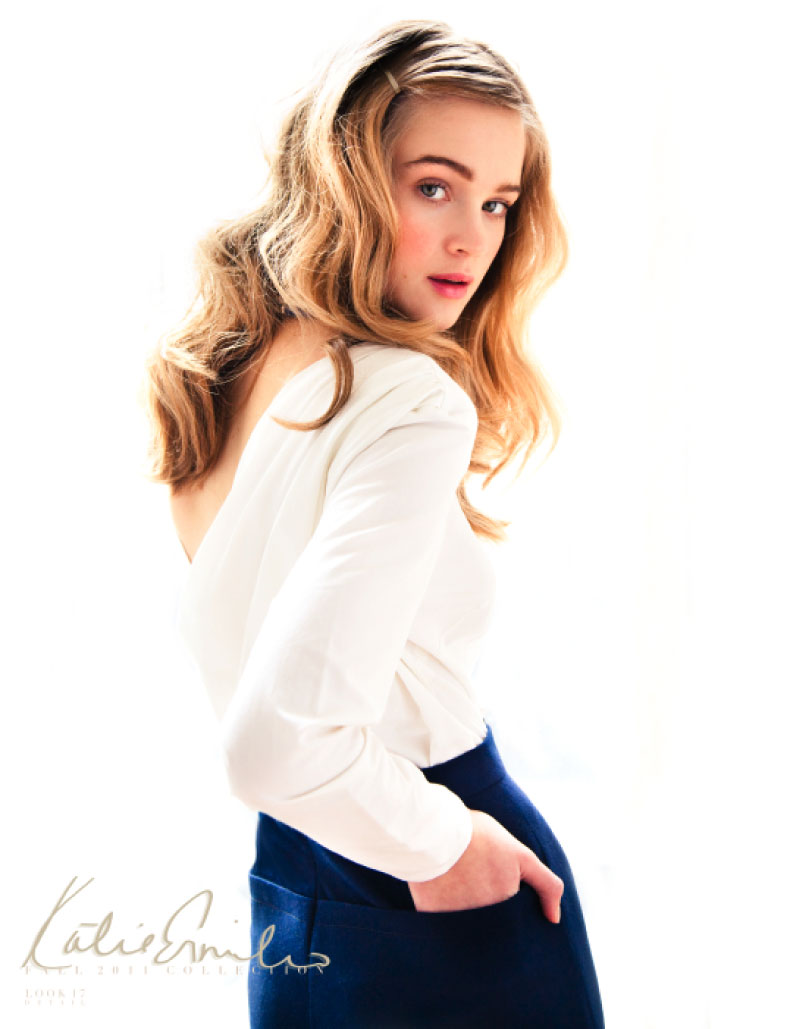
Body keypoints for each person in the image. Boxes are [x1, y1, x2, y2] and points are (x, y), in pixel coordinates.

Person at [143, 18, 605, 1028]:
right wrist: (448, 843)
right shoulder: (406, 396)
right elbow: (276, 743)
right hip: (434, 851)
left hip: (299, 869)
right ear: (343, 177)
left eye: (497, 202)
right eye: (434, 186)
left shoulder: (232, 370)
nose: (472, 238)